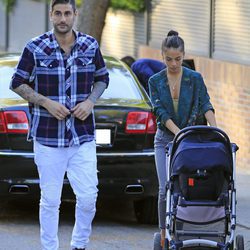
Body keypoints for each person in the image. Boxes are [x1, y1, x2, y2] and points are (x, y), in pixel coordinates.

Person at [9, 0, 109, 249]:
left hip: (82, 136)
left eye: (67, 13)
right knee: (50, 200)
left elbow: (102, 78)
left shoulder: (90, 45)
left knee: (88, 198)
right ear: (51, 15)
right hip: (48, 137)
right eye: (58, 13)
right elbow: (17, 82)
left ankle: (79, 245)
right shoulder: (35, 47)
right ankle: (50, 247)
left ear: (75, 14)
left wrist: (90, 102)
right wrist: (45, 102)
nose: (63, 18)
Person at [148, 30, 217, 248]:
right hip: (165, 138)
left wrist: (215, 131)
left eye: (178, 59)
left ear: (184, 55)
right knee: (164, 187)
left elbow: (206, 104)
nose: (174, 64)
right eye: (169, 59)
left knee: (184, 185)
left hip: (189, 139)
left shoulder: (194, 78)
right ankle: (162, 232)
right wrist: (178, 133)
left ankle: (184, 225)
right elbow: (160, 111)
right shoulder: (155, 81)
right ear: (162, 56)